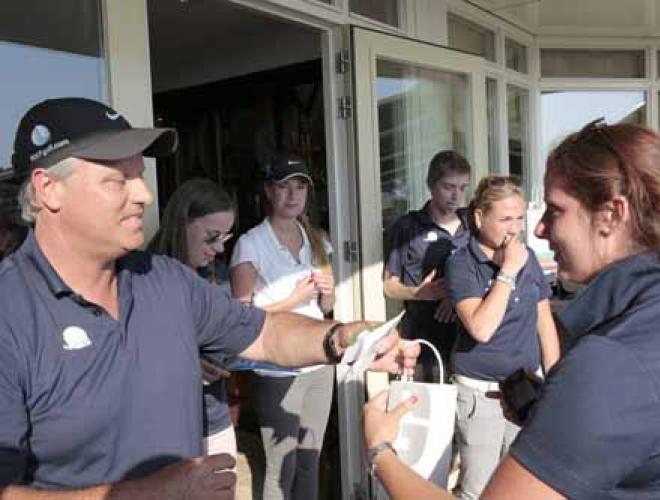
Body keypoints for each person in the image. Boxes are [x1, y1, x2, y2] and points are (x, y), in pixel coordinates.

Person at [0, 97, 418, 498]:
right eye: (117, 180)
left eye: (139, 175)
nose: (144, 194)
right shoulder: (10, 314)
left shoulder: (165, 280)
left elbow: (265, 334)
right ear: (48, 189)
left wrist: (345, 339)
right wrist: (152, 494)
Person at [362, 119, 660, 499]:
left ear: (612, 215)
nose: (538, 229)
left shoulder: (614, 360)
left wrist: (381, 452)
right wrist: (557, 416)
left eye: (555, 210)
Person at [444, 175, 559, 499]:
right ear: (480, 217)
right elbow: (481, 328)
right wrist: (507, 272)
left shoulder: (527, 257)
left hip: (524, 390)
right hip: (482, 396)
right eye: (506, 219)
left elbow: (544, 322)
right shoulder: (462, 263)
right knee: (479, 489)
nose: (515, 228)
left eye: (519, 218)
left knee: (522, 487)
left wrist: (556, 382)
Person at [229, 153, 336, 500]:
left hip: (318, 365)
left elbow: (326, 307)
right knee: (281, 469)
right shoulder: (250, 243)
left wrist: (328, 293)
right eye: (284, 186)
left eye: (300, 187)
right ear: (268, 191)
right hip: (276, 369)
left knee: (309, 461)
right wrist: (292, 300)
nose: (293, 195)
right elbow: (240, 316)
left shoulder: (317, 239)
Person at [146, 178, 238, 458]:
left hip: (214, 417)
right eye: (212, 237)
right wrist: (186, 364)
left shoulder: (218, 274)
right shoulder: (141, 276)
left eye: (225, 238)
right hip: (163, 424)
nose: (219, 248)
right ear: (182, 222)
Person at [383, 150, 471, 378]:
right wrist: (420, 293)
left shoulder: (472, 224)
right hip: (421, 338)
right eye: (449, 187)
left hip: (467, 339)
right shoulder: (408, 226)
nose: (456, 196)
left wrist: (455, 295)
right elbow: (389, 286)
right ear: (431, 185)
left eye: (462, 188)